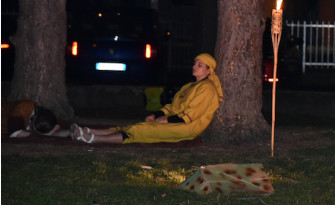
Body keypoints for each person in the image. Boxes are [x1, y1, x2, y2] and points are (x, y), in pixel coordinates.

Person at [71, 53, 223, 144]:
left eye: (200, 65)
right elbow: (171, 107)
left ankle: (93, 139)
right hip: (176, 121)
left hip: (186, 128)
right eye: (195, 63)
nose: (195, 66)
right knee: (133, 126)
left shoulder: (207, 88)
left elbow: (191, 115)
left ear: (209, 71)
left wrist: (167, 120)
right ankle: (88, 131)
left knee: (141, 130)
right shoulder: (189, 86)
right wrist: (156, 115)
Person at [2, 99, 70, 138]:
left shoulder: (46, 119)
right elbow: (15, 133)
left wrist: (70, 132)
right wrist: (41, 135)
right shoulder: (22, 108)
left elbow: (56, 129)